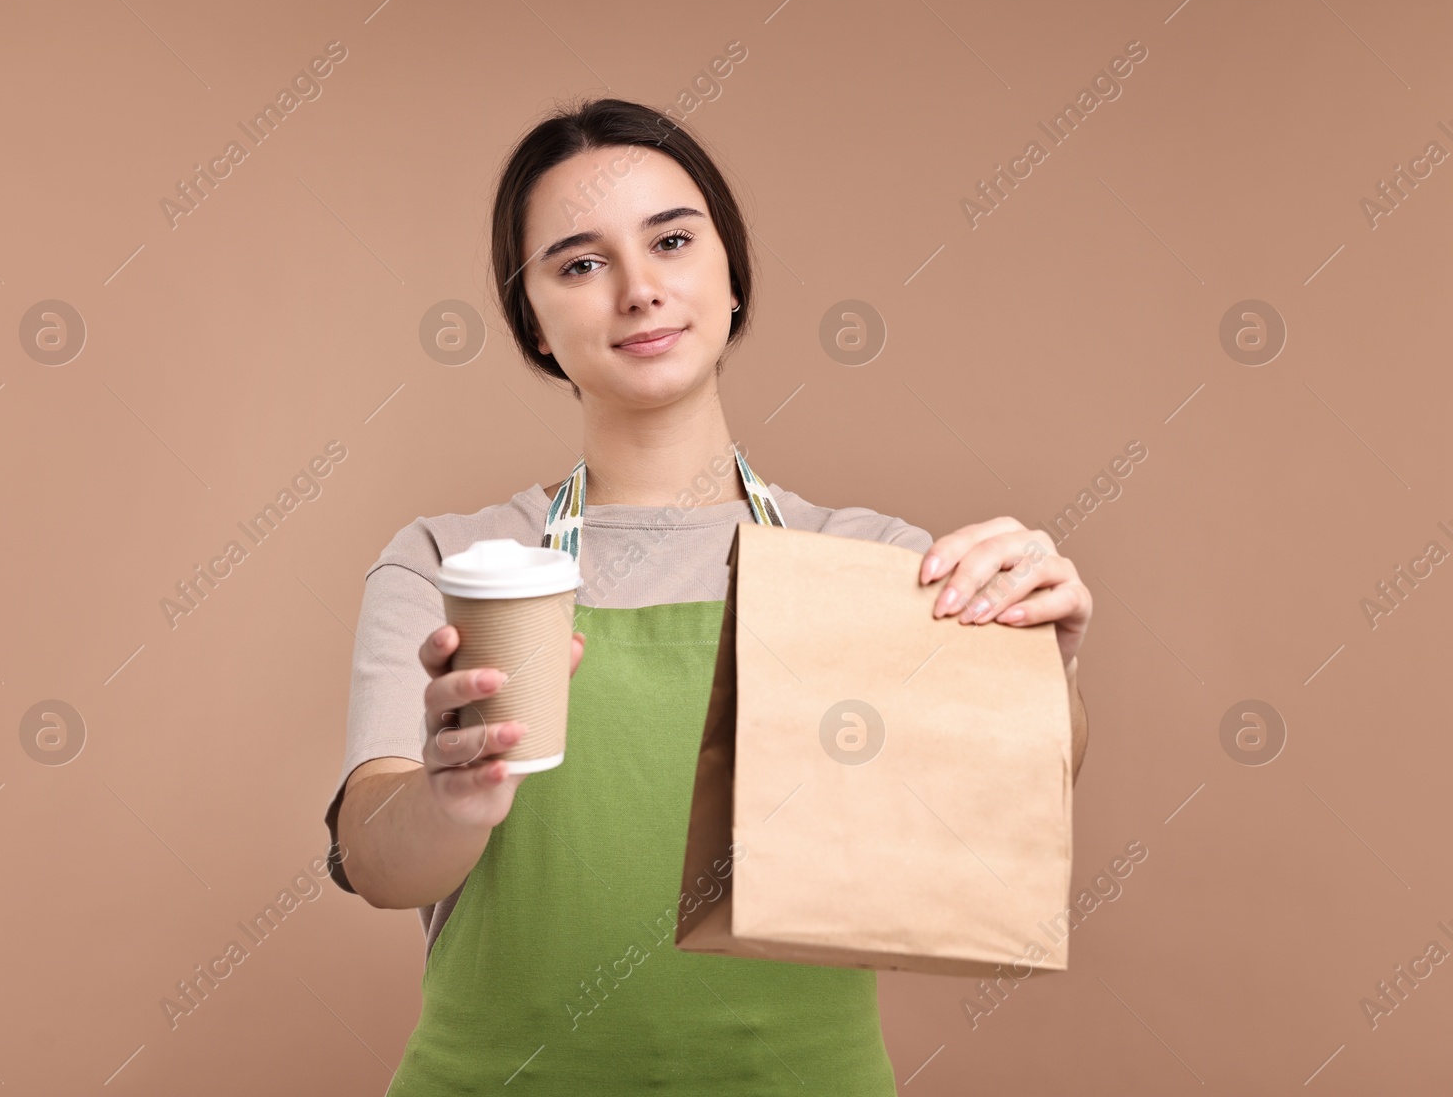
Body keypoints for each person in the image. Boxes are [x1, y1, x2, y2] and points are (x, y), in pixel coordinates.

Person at [323, 97, 1092, 1094]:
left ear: (730, 276)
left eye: (672, 241)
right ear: (536, 326)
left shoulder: (875, 564)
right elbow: (379, 864)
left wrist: (1040, 664)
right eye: (579, 263)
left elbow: (995, 801)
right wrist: (450, 794)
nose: (639, 290)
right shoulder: (457, 563)